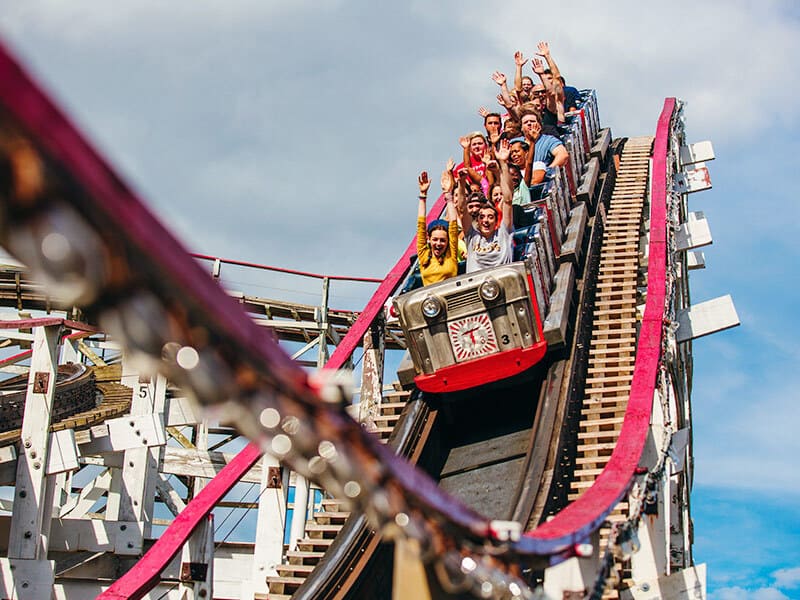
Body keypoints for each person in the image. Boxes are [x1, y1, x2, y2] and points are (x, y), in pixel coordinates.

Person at [458, 139, 515, 273]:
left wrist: (502, 165)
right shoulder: (472, 237)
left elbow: (507, 200)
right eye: (482, 217)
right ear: (477, 221)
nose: (486, 220)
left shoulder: (503, 233)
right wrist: (461, 183)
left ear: (496, 221)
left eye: (490, 217)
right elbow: (461, 209)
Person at [416, 165, 459, 286]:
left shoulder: (451, 254)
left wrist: (448, 195)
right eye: (435, 240)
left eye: (442, 240)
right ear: (429, 239)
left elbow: (453, 224)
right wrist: (423, 195)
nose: (438, 244)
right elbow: (421, 225)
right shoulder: (424, 255)